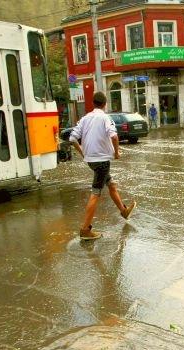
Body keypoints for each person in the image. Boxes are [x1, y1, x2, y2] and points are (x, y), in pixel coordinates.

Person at [69, 92, 136, 240]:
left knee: (111, 184)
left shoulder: (85, 118)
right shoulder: (105, 118)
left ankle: (124, 211)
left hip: (92, 161)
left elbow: (72, 138)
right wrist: (117, 153)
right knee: (95, 194)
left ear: (93, 103)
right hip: (102, 161)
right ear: (105, 104)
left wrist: (83, 153)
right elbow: (114, 136)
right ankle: (85, 229)